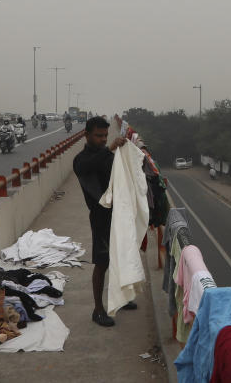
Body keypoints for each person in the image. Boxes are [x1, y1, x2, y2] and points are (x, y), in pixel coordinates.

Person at [73, 116, 135, 327]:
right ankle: (98, 310)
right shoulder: (81, 160)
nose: (102, 139)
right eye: (98, 136)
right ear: (86, 135)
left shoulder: (105, 155)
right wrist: (109, 149)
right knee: (102, 263)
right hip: (100, 217)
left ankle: (121, 297)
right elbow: (90, 166)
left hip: (118, 214)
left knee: (121, 257)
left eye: (105, 136)